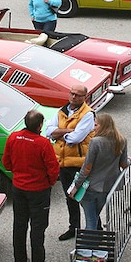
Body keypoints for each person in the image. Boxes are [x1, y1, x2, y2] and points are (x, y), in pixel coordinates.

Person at [3, 109, 60, 262]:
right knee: (38, 227)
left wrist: (18, 174)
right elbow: (53, 168)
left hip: (19, 187)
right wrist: (49, 183)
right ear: (40, 125)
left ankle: (20, 261)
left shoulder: (13, 137)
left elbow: (6, 163)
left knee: (19, 225)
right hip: (39, 190)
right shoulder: (43, 143)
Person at [45, 84, 95, 241]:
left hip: (78, 164)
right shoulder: (62, 111)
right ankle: (74, 227)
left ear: (84, 98)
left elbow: (76, 139)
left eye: (78, 95)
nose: (74, 97)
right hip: (63, 163)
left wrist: (58, 133)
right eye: (72, 93)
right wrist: (68, 131)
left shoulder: (88, 114)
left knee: (85, 199)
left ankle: (95, 228)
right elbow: (48, 132)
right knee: (70, 197)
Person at [69, 113, 131, 231]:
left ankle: (87, 247)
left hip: (90, 187)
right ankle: (94, 245)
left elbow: (87, 167)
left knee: (91, 222)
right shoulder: (121, 140)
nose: (94, 127)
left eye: (96, 125)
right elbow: (123, 164)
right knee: (94, 217)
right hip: (107, 187)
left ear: (103, 126)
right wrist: (129, 160)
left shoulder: (96, 142)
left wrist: (76, 185)